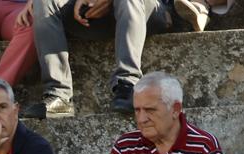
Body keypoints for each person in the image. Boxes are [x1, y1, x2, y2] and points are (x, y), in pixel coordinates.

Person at [31, 0, 176, 117]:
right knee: (44, 2)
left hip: (146, 10)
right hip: (94, 12)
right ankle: (59, 96)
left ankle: (128, 86)